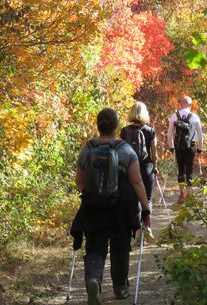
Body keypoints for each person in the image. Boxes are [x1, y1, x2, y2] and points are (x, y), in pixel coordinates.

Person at [71, 108, 151, 305]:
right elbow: (137, 182)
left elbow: (79, 181)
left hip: (94, 206)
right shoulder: (124, 149)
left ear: (98, 125)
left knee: (95, 247)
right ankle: (120, 287)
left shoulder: (88, 148)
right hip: (121, 207)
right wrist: (145, 207)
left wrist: (90, 195)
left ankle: (93, 280)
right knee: (120, 246)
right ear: (116, 127)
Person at [121, 101, 158, 241]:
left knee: (133, 197)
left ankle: (135, 230)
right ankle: (147, 227)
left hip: (130, 167)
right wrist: (155, 167)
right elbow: (154, 154)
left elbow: (122, 151)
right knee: (146, 198)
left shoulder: (124, 131)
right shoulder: (150, 131)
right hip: (146, 167)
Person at [167, 96, 203, 203]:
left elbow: (169, 134)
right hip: (190, 146)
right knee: (189, 170)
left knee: (181, 170)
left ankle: (181, 195)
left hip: (178, 147)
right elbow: (200, 135)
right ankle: (189, 196)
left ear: (181, 103)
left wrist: (171, 147)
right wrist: (200, 149)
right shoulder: (195, 117)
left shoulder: (174, 116)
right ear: (190, 105)